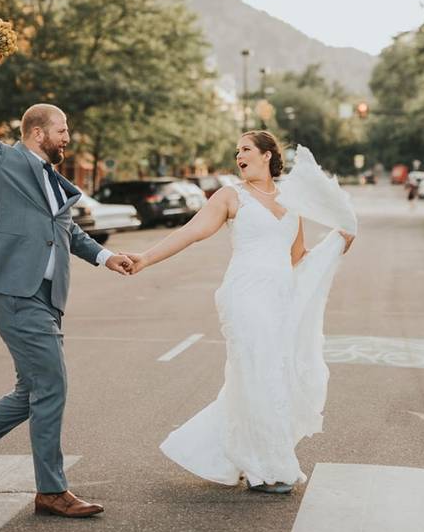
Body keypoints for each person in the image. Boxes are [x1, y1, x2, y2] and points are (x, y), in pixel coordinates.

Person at [0, 52, 133, 518]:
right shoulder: (1, 161)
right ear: (39, 133)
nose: (68, 138)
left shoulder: (55, 182)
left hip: (46, 296)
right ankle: (51, 490)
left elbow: (67, 231)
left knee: (32, 390)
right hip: (15, 292)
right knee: (53, 386)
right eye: (63, 131)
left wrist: (105, 256)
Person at [128, 131, 356, 494]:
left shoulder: (292, 201)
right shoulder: (230, 196)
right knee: (258, 371)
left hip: (279, 298)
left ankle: (233, 452)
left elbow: (297, 257)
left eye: (246, 149)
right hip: (245, 295)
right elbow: (191, 233)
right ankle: (268, 466)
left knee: (265, 375)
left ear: (267, 156)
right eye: (237, 151)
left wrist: (335, 245)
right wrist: (145, 258)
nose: (239, 155)